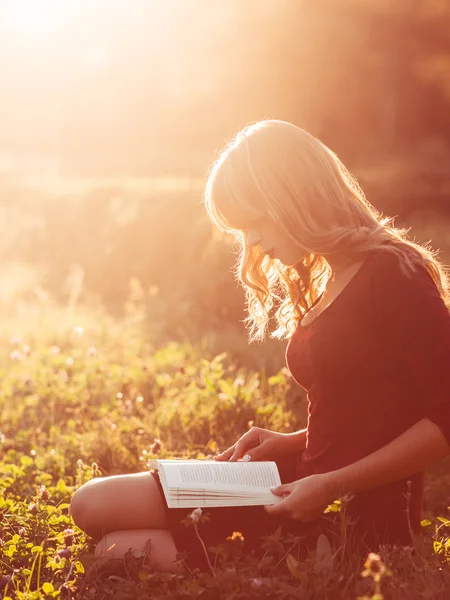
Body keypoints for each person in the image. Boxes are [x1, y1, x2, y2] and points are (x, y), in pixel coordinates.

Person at [70, 119, 450, 573]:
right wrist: (288, 443)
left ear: (291, 198)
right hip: (298, 479)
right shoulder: (331, 275)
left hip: (352, 514)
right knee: (91, 503)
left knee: (113, 552)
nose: (251, 242)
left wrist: (330, 486)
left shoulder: (394, 274)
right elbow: (371, 413)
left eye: (254, 222)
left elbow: (443, 421)